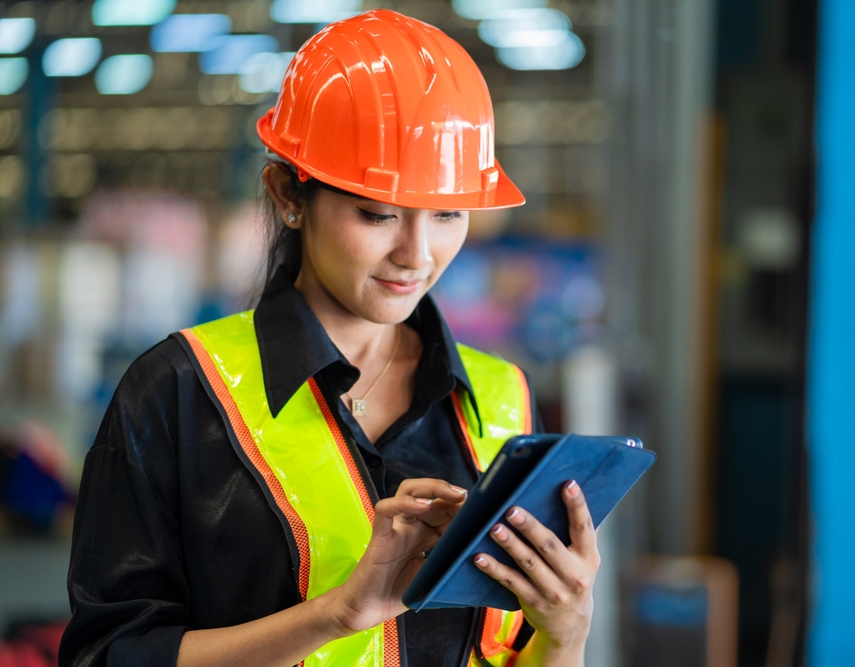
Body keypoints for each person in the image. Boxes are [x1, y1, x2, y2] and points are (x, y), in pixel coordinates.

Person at [59, 10, 600, 667]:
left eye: (449, 214)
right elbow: (107, 656)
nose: (416, 255)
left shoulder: (503, 400)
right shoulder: (176, 394)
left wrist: (564, 634)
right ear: (289, 192)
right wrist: (336, 614)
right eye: (378, 214)